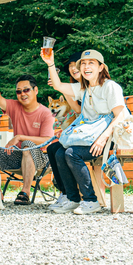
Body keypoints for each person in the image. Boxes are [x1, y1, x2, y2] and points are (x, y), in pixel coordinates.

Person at [44, 49, 128, 215]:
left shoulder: (110, 87)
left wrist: (102, 138)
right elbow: (59, 86)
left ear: (101, 67)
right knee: (60, 152)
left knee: (71, 153)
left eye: (91, 63)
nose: (86, 66)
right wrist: (50, 63)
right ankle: (73, 199)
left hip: (109, 136)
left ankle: (90, 200)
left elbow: (121, 116)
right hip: (91, 136)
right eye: (83, 63)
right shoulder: (84, 89)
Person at [0, 74, 55, 205]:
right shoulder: (14, 106)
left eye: (26, 90)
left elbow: (47, 140)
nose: (22, 94)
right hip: (19, 156)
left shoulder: (46, 113)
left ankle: (25, 192)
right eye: (18, 91)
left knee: (27, 144)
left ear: (36, 90)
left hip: (42, 159)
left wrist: (19, 137)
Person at [45, 54, 82, 210]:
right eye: (70, 66)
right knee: (51, 148)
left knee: (61, 152)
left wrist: (62, 88)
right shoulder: (75, 86)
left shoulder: (88, 86)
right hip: (80, 131)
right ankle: (65, 193)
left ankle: (73, 196)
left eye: (76, 65)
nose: (73, 68)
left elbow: (78, 111)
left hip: (89, 133)